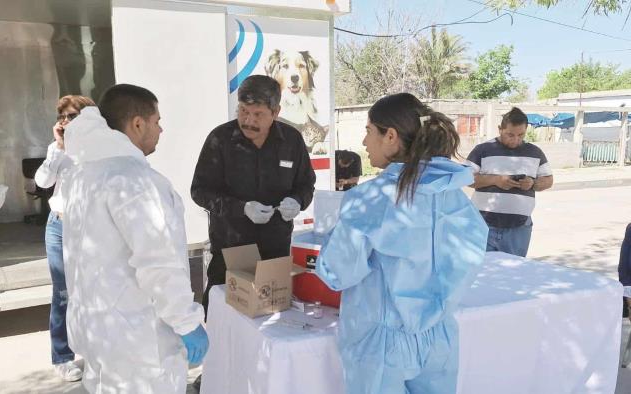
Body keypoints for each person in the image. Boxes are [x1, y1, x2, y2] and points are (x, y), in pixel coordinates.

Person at [315, 93, 488, 394]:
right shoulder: (453, 195)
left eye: (369, 131)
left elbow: (337, 273)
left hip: (381, 346)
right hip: (440, 337)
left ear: (390, 136)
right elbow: (468, 259)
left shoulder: (370, 199)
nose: (365, 142)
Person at [61, 84, 208, 393]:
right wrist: (186, 322)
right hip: (140, 348)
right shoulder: (135, 181)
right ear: (138, 124)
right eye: (156, 121)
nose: (161, 128)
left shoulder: (83, 174)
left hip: (99, 334)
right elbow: (157, 261)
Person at [191, 75, 316, 313]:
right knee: (224, 320)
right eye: (243, 111)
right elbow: (200, 191)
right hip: (230, 252)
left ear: (276, 111)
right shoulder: (220, 139)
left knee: (271, 322)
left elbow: (306, 184)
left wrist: (298, 201)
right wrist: (241, 208)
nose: (248, 120)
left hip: (275, 252)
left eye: (258, 114)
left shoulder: (291, 141)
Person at [34, 94, 94, 382]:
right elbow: (43, 181)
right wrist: (58, 147)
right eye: (63, 117)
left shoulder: (100, 148)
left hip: (89, 229)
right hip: (59, 226)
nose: (66, 122)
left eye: (72, 116)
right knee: (62, 293)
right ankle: (62, 357)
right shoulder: (58, 148)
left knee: (92, 291)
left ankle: (94, 351)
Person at [465, 107, 554, 257]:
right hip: (483, 225)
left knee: (513, 272)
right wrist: (495, 180)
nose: (515, 140)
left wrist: (532, 183)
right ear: (500, 129)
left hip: (518, 229)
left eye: (521, 135)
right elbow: (466, 178)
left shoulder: (535, 152)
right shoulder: (482, 150)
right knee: (480, 272)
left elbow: (548, 180)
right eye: (510, 135)